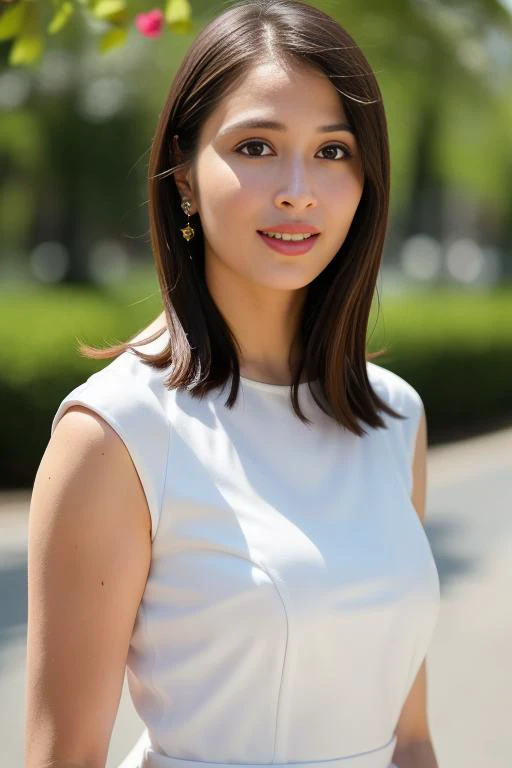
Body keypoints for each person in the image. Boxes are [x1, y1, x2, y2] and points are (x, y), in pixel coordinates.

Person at [25, 1, 441, 767]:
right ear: (183, 174)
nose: (297, 190)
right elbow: (64, 756)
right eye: (256, 146)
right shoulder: (115, 433)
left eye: (333, 151)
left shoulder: (395, 417)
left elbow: (410, 740)